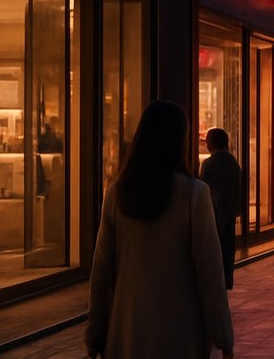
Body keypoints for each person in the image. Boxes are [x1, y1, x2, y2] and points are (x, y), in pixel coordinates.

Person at [86, 101, 233, 359]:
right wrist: (223, 335)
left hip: (127, 331)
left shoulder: (118, 194)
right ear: (179, 142)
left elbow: (102, 271)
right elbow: (209, 271)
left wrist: (95, 334)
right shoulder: (194, 195)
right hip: (180, 331)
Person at [199, 127, 242, 290]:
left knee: (214, 247)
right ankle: (227, 279)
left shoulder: (209, 164)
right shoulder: (233, 162)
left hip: (213, 211)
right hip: (229, 211)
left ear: (212, 144)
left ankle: (216, 281)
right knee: (228, 246)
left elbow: (203, 188)